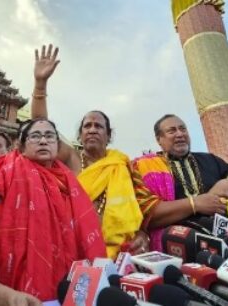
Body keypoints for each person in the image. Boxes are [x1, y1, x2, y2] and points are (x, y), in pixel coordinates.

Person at [0, 118, 106, 305]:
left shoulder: (70, 185)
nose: (43, 141)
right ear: (20, 146)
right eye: (35, 136)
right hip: (8, 294)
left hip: (67, 291)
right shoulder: (7, 176)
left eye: (50, 136)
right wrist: (2, 295)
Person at [30, 44, 147, 259]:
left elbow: (137, 211)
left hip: (119, 255)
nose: (92, 129)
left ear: (109, 135)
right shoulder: (71, 158)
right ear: (80, 134)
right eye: (87, 126)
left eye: (98, 126)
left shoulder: (122, 164)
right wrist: (40, 85)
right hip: (71, 251)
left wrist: (142, 235)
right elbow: (41, 127)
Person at [132, 114, 228, 250]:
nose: (180, 134)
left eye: (183, 129)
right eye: (172, 131)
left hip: (224, 238)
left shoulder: (210, 161)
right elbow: (147, 216)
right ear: (159, 139)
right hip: (177, 245)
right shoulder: (145, 168)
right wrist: (195, 204)